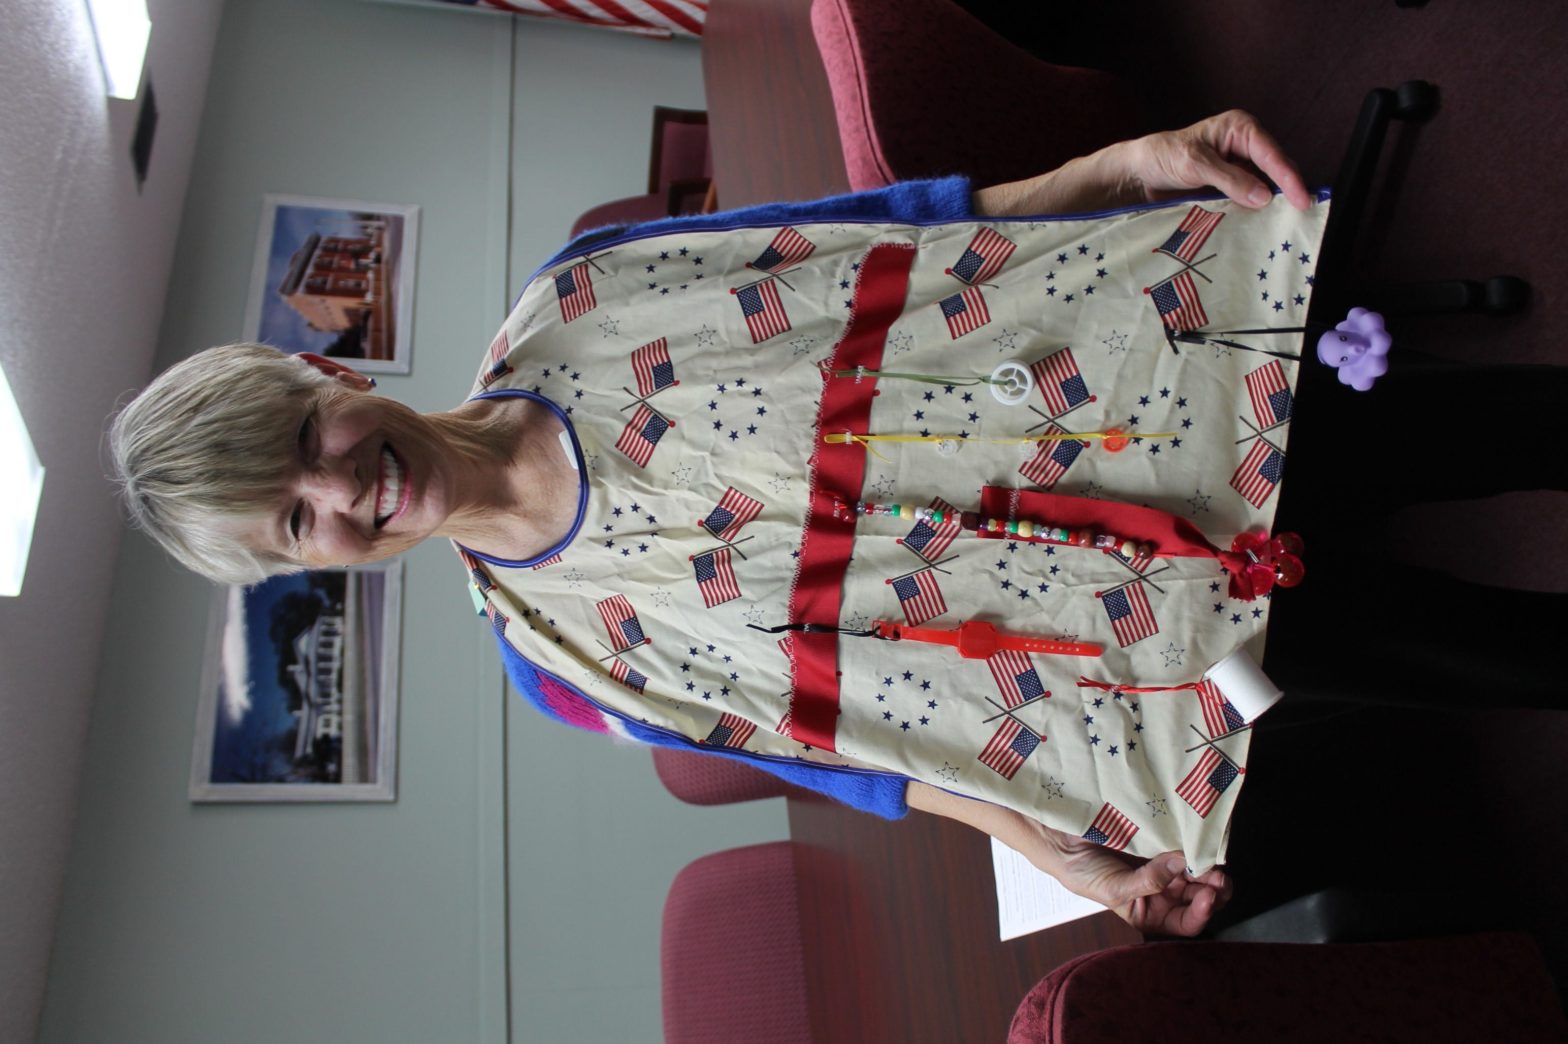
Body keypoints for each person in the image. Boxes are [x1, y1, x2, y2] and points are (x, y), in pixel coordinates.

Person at [111, 111, 1557, 937]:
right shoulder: (563, 661)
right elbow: (853, 750)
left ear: (327, 376)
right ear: (312, 565)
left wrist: (1119, 172)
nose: (342, 492)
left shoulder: (581, 297)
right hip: (1142, 634)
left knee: (1516, 428)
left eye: (302, 446)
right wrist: (1056, 850)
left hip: (1173, 394)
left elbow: (898, 237)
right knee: (1502, 659)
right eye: (295, 524)